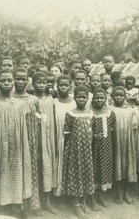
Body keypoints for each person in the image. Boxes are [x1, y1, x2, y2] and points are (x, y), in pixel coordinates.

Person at [0, 70, 32, 216]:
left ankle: (16, 207)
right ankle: (0, 211)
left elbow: (25, 130)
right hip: (0, 149)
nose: (6, 83)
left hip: (18, 149)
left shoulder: (21, 104)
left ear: (13, 82)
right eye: (3, 80)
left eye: (9, 80)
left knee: (16, 176)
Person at [63, 85, 99, 219]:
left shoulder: (90, 114)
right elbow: (67, 134)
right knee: (75, 175)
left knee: (86, 174)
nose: (81, 99)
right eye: (79, 97)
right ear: (74, 98)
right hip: (74, 150)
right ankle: (76, 205)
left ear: (87, 98)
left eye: (84, 97)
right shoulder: (70, 113)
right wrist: (69, 151)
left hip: (87, 150)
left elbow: (92, 132)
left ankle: (84, 201)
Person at [12, 68, 43, 216]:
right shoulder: (8, 99)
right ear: (13, 79)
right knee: (16, 170)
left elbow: (38, 121)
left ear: (28, 80)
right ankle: (19, 205)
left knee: (32, 170)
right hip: (15, 140)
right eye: (17, 78)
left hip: (30, 140)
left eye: (23, 79)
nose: (20, 82)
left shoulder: (33, 100)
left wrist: (36, 143)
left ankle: (34, 204)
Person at [32, 72, 59, 215]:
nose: (42, 85)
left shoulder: (51, 99)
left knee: (48, 168)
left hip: (49, 137)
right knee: (38, 169)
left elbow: (53, 119)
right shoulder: (32, 99)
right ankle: (37, 204)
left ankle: (47, 201)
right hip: (37, 137)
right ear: (33, 83)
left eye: (44, 82)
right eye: (38, 82)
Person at [111, 86, 137, 204]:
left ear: (125, 96)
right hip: (115, 141)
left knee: (127, 166)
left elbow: (134, 127)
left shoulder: (131, 110)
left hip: (127, 142)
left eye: (121, 95)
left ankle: (126, 193)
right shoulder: (110, 109)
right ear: (112, 96)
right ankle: (118, 193)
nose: (119, 97)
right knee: (117, 165)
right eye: (116, 95)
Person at [53, 75, 76, 209]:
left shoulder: (74, 102)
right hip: (58, 138)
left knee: (69, 166)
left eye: (66, 85)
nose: (63, 87)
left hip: (71, 140)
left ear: (70, 87)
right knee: (59, 166)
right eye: (61, 85)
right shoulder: (54, 102)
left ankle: (70, 196)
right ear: (57, 86)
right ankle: (59, 197)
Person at [91, 88, 115, 207]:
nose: (99, 100)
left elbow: (113, 130)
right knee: (94, 169)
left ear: (105, 99)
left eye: (101, 98)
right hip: (93, 147)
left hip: (106, 146)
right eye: (96, 98)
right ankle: (92, 198)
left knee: (104, 168)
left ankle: (100, 196)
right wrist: (93, 136)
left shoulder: (110, 113)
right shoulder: (90, 113)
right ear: (93, 99)